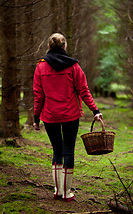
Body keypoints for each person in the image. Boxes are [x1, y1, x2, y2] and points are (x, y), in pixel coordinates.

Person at [33, 33, 103, 202]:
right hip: (70, 114)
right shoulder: (73, 66)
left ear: (49, 47)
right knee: (68, 150)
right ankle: (67, 193)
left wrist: (36, 118)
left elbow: (38, 95)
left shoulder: (40, 67)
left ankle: (57, 191)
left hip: (50, 116)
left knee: (57, 151)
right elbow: (84, 91)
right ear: (64, 46)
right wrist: (95, 110)